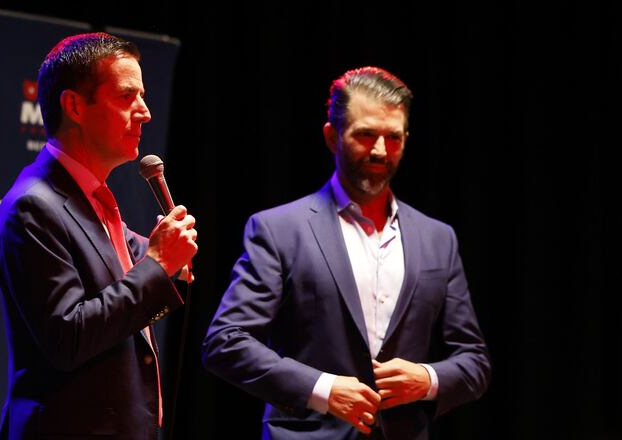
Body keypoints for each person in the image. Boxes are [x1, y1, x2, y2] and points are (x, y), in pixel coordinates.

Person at [202, 66, 490, 439]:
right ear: (332, 137)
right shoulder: (279, 230)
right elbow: (225, 343)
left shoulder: (438, 238)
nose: (381, 151)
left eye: (394, 137)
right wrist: (323, 389)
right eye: (365, 135)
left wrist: (427, 379)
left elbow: (475, 361)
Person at [0, 32, 197, 440]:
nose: (145, 112)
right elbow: (67, 336)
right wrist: (156, 265)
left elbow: (121, 300)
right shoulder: (34, 206)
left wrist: (162, 264)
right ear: (74, 106)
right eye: (126, 97)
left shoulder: (94, 203)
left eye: (142, 96)